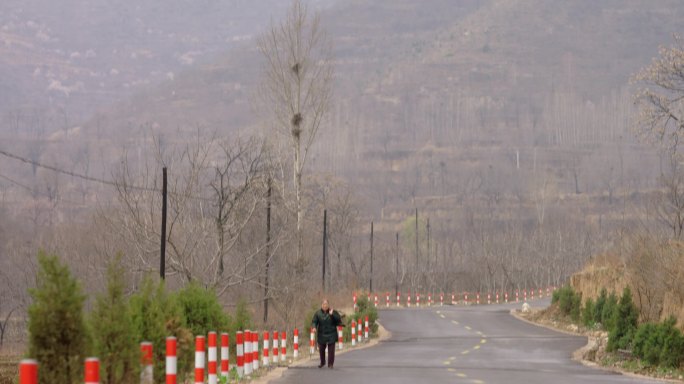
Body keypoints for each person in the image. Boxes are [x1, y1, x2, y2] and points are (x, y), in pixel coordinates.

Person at [312, 298, 341, 368]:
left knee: (331, 350)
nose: (325, 306)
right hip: (322, 333)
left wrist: (332, 315)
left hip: (332, 333)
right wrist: (314, 327)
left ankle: (330, 364)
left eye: (326, 304)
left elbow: (338, 320)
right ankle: (322, 362)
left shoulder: (333, 311)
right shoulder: (318, 313)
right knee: (321, 349)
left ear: (328, 305)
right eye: (324, 304)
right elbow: (314, 321)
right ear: (321, 305)